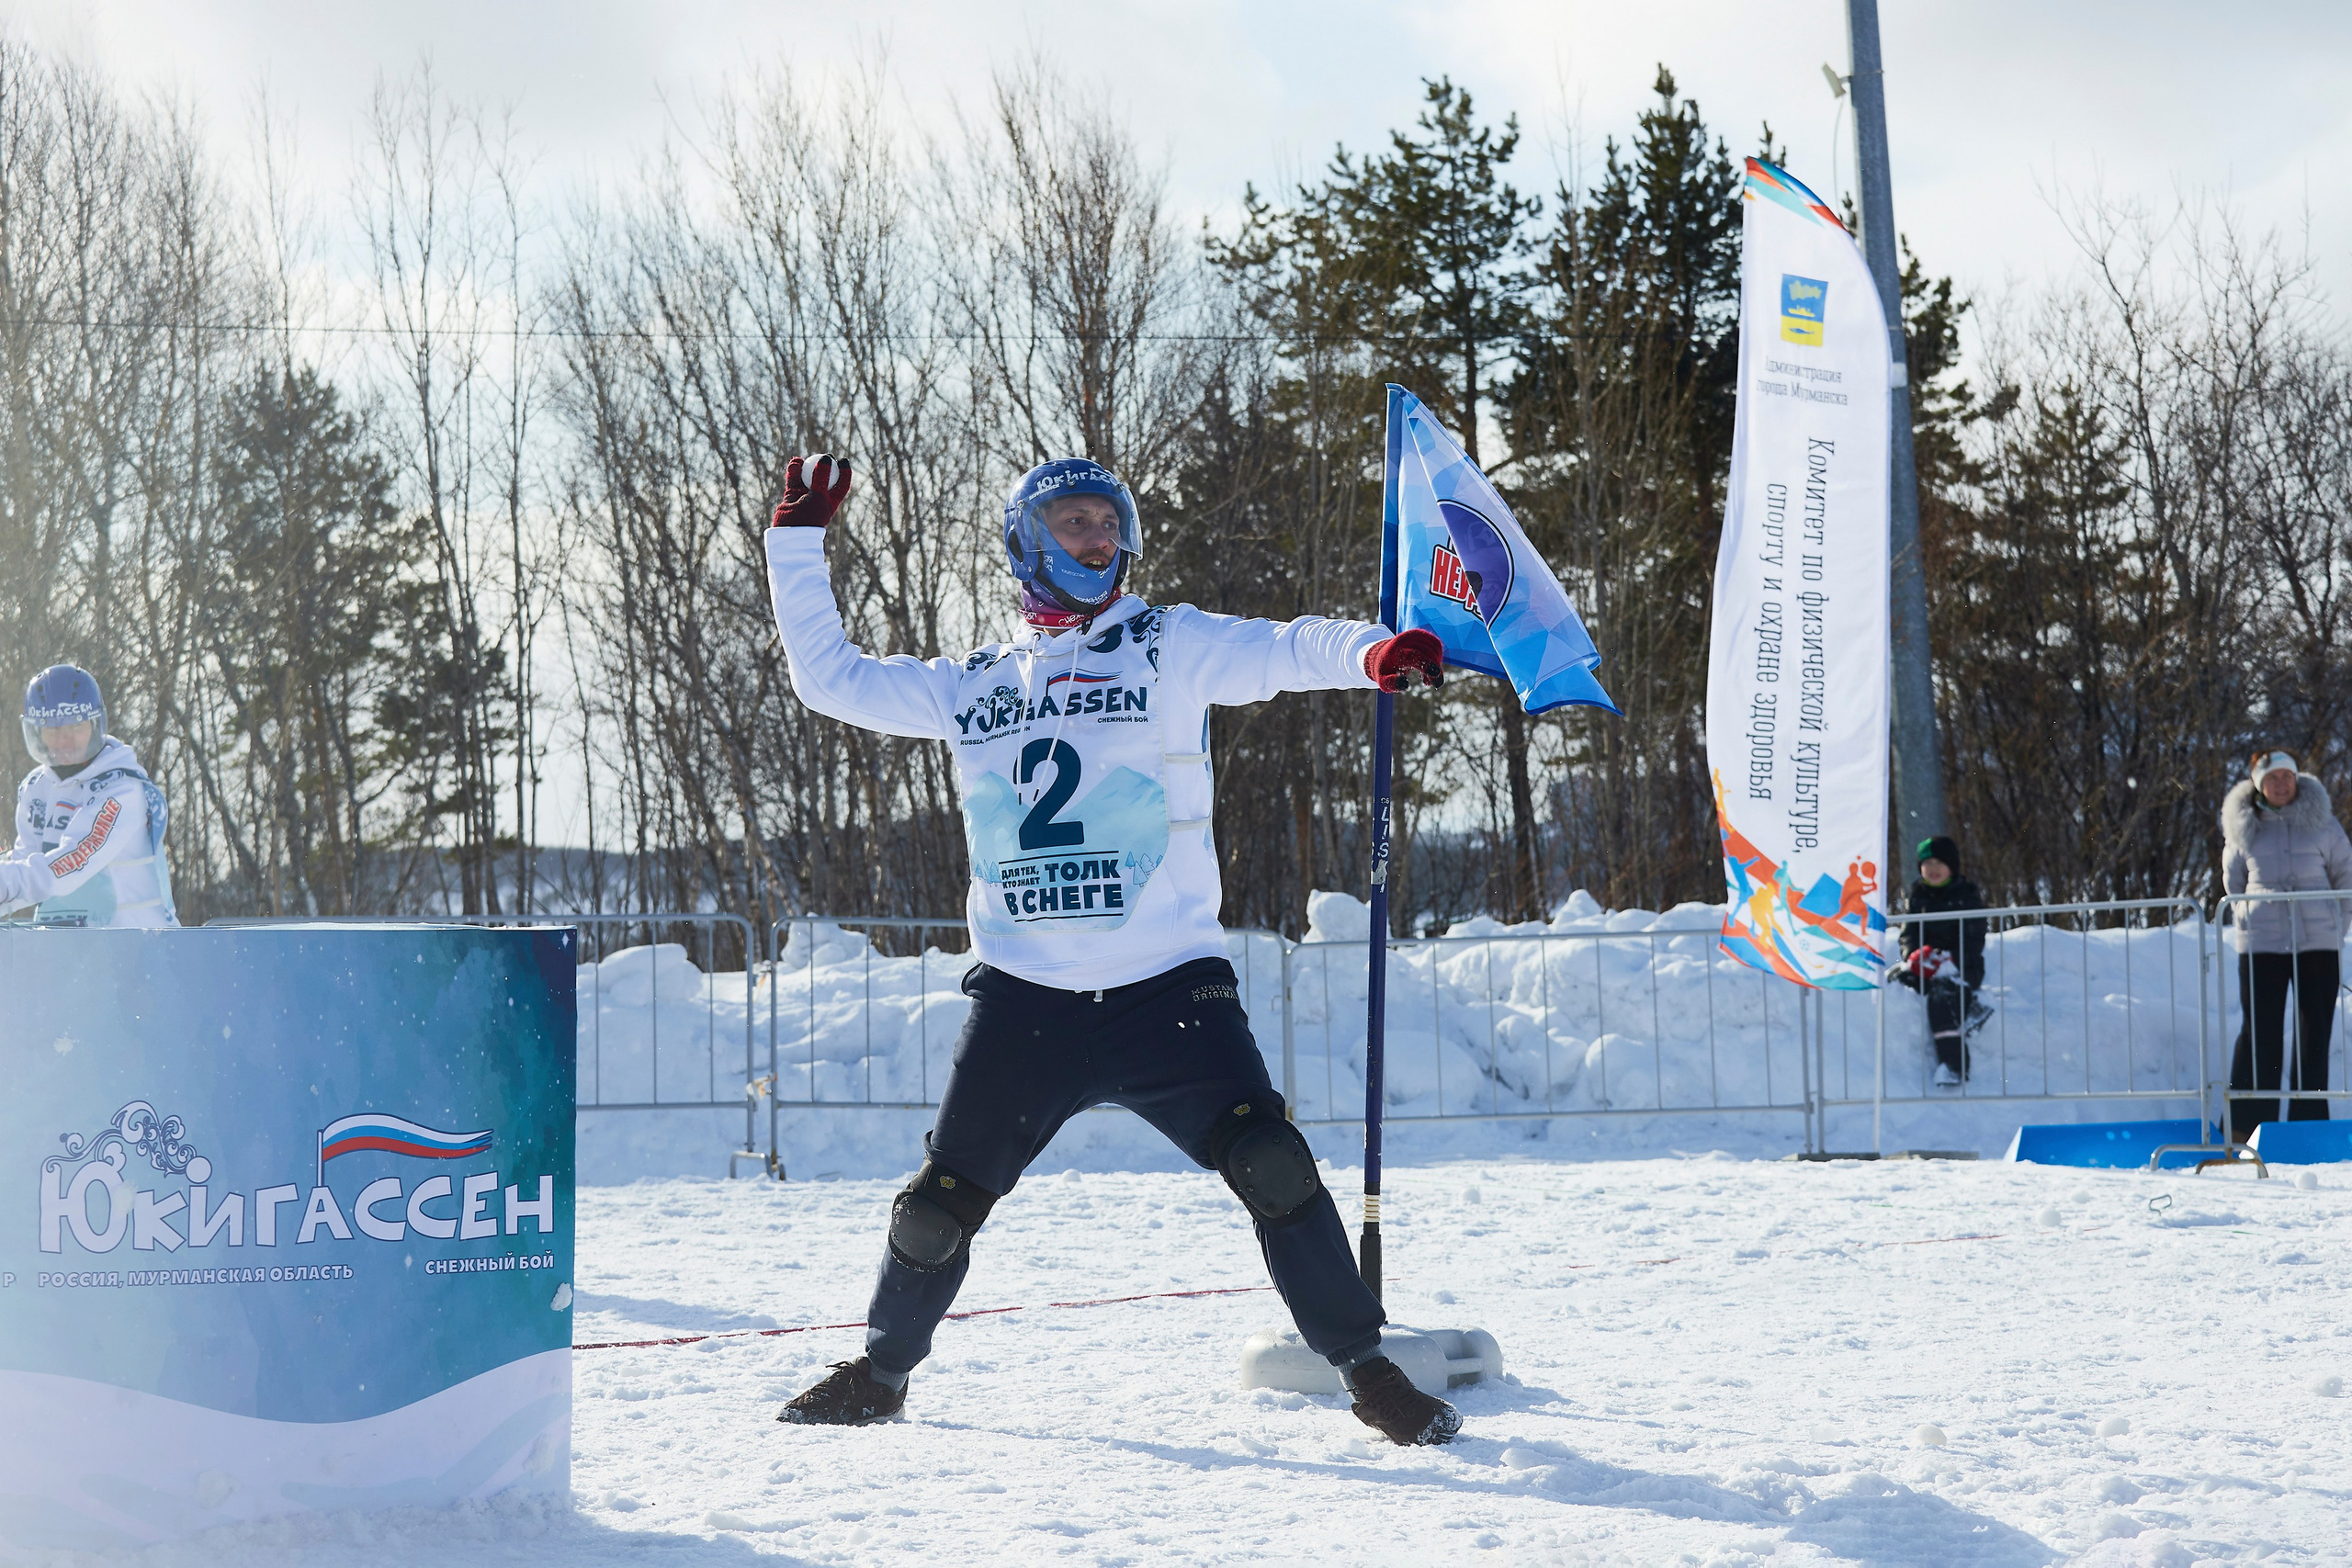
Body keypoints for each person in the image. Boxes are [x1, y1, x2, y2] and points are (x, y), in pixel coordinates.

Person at [763, 453, 1459, 1445]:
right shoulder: (970, 683)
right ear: (1025, 543)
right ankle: (880, 1375)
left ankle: (1366, 1369)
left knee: (1273, 1165)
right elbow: (829, 679)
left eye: (1107, 522)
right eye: (1072, 523)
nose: (1096, 539)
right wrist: (795, 542)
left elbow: (1283, 647)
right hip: (1026, 1001)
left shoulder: (1169, 645)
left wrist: (1374, 651)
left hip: (1166, 991)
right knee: (935, 1211)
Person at [2221, 750, 2350, 1144]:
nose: (2281, 784)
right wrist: (2248, 918)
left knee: (2314, 1035)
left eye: (2287, 776)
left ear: (2297, 780)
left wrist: (2333, 926)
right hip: (2262, 945)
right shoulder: (2243, 827)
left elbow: (2346, 877)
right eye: (2272, 777)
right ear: (2258, 784)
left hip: (2318, 944)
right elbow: (2233, 883)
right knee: (2260, 1034)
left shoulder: (2323, 824)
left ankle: (2308, 1129)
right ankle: (2247, 1128)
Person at [3, 665, 176, 929]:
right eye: (53, 730)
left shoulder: (121, 791)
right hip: (66, 951)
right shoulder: (36, 788)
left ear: (96, 725)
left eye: (76, 727)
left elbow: (72, 863)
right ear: (37, 733)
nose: (65, 741)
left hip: (139, 950)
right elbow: (24, 862)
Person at [1894, 835, 1987, 1088]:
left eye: (1939, 862)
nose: (1933, 869)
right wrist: (1912, 956)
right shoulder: (1916, 895)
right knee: (1900, 984)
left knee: (1942, 996)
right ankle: (1971, 1010)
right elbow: (1908, 934)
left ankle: (1955, 1066)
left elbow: (1974, 936)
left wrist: (1950, 959)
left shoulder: (1966, 895)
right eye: (1927, 863)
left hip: (1962, 966)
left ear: (1952, 866)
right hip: (1926, 963)